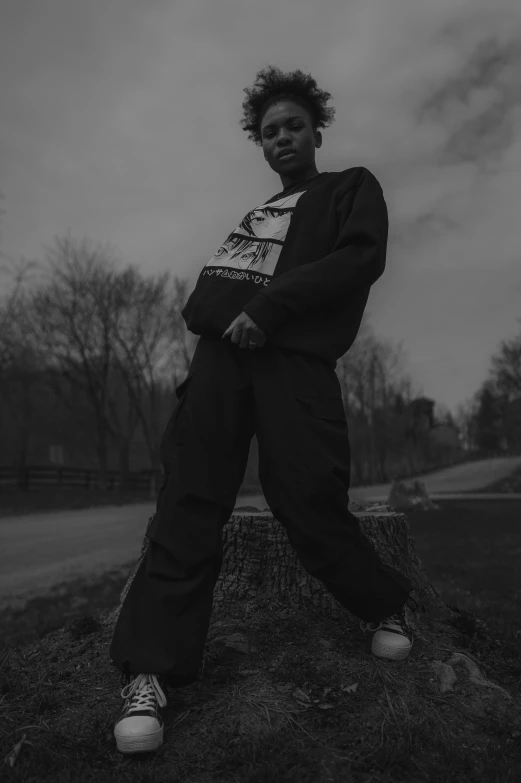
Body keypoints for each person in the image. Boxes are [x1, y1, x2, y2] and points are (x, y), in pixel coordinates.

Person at [111, 65, 418, 755]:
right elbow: (209, 297)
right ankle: (149, 673)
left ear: (316, 131)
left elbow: (358, 260)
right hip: (221, 361)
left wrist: (270, 308)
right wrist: (231, 318)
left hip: (292, 361)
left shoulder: (350, 188)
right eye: (268, 131)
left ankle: (384, 604)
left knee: (307, 493)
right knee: (187, 497)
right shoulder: (255, 216)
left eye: (293, 126)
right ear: (260, 142)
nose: (281, 138)